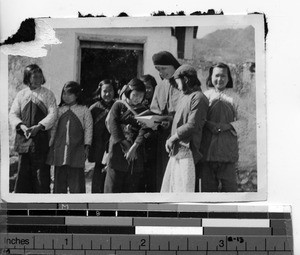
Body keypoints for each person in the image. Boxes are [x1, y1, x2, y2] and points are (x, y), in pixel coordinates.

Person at [9, 64, 57, 193]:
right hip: (24, 139)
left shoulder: (48, 94)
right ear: (28, 78)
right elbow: (13, 114)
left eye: (40, 76)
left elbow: (53, 114)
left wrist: (39, 126)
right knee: (23, 173)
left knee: (41, 174)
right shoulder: (21, 94)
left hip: (40, 140)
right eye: (34, 76)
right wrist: (22, 126)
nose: (38, 79)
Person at [160, 64, 208, 192]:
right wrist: (171, 138)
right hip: (176, 150)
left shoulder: (199, 97)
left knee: (185, 190)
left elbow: (193, 125)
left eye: (177, 82)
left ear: (185, 80)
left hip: (188, 151)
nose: (177, 86)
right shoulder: (184, 96)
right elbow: (179, 120)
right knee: (172, 188)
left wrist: (172, 138)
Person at [199, 62, 246, 192]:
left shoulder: (235, 98)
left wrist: (226, 126)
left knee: (230, 189)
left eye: (223, 76)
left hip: (227, 150)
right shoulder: (204, 96)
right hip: (207, 150)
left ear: (228, 78)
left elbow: (244, 121)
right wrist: (209, 124)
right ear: (211, 77)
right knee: (207, 190)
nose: (220, 79)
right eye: (217, 75)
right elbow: (198, 119)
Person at [47, 81, 93, 193]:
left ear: (77, 95)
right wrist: (50, 144)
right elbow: (53, 128)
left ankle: (78, 205)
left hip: (77, 149)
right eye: (64, 93)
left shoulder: (84, 110)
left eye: (69, 94)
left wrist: (87, 146)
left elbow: (88, 128)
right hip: (60, 149)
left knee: (76, 180)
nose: (65, 96)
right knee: (59, 180)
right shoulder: (59, 110)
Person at [104, 78, 148, 193]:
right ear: (128, 92)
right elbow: (113, 126)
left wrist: (134, 147)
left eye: (141, 96)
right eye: (135, 95)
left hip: (135, 151)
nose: (138, 98)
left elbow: (144, 129)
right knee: (113, 186)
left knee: (131, 188)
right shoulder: (118, 105)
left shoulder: (144, 110)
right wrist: (126, 145)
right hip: (118, 148)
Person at [150, 51, 182, 191]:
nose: (161, 72)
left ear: (173, 66)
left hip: (180, 135)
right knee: (163, 174)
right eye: (158, 70)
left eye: (164, 68)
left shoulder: (183, 85)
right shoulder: (160, 87)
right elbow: (155, 110)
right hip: (163, 135)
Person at [88, 79, 116, 193]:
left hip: (113, 143)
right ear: (100, 92)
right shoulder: (94, 108)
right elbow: (88, 128)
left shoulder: (117, 105)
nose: (108, 94)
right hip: (98, 145)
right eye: (105, 91)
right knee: (98, 171)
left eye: (110, 91)